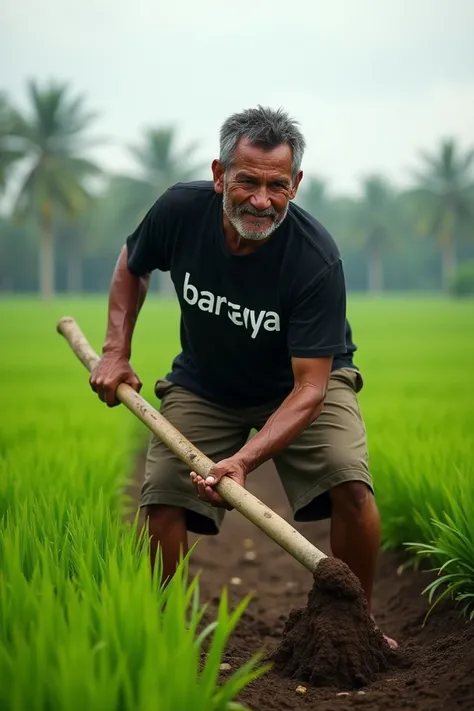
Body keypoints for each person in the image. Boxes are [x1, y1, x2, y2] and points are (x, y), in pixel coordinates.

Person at [89, 105, 397, 649]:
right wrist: (115, 351)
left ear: (295, 185)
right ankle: (160, 633)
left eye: (276, 185)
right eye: (246, 181)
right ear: (219, 175)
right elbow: (133, 262)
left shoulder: (314, 258)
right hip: (206, 384)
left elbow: (311, 388)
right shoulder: (180, 211)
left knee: (349, 484)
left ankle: (357, 629)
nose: (260, 199)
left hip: (300, 386)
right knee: (162, 495)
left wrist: (244, 460)